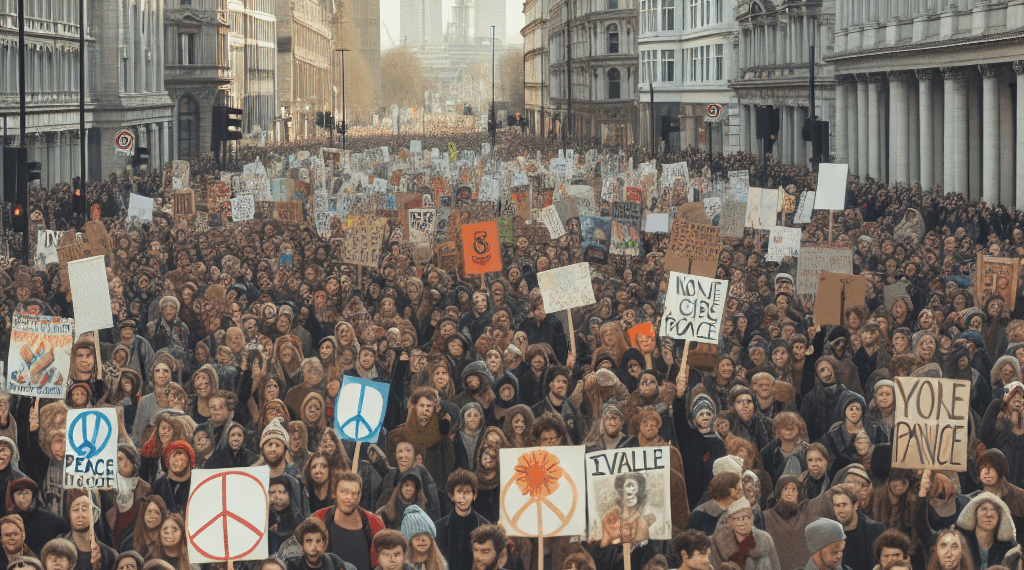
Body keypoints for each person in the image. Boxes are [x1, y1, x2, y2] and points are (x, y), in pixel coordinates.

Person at [312, 471, 386, 570]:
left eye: (354, 493)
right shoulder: (319, 518)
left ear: (359, 496)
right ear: (334, 494)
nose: (349, 498)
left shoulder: (375, 523)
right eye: (344, 492)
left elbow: (382, 562)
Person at [435, 470, 490, 570]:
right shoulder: (438, 528)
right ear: (452, 496)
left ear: (474, 495)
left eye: (467, 492)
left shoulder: (485, 527)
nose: (463, 496)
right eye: (459, 491)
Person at [708, 498, 781, 570]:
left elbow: (775, 566)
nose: (742, 522)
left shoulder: (764, 539)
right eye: (737, 519)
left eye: (746, 517)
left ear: (752, 519)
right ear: (730, 521)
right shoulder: (717, 543)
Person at [4, 479, 69, 554]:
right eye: (19, 493)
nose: (23, 497)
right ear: (13, 497)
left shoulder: (51, 520)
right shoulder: (7, 521)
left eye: (26, 493)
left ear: (33, 496)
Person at [61, 493, 117, 570]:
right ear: (69, 515)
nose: (80, 515)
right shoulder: (58, 550)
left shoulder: (109, 555)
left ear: (95, 515)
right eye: (75, 509)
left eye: (84, 509)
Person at [832, 489, 884, 570]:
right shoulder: (830, 532)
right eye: (837, 506)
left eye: (844, 505)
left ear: (855, 505)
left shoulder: (875, 529)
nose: (841, 510)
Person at [287, 517, 357, 570]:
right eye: (309, 541)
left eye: (318, 541)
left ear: (324, 544)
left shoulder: (334, 562)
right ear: (301, 545)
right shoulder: (293, 566)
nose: (314, 547)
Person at [150, 441, 194, 513]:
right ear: (168, 461)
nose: (178, 462)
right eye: (175, 459)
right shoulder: (158, 485)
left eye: (182, 459)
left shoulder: (195, 483)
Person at [399, 506, 446, 570]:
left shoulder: (441, 565)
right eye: (417, 538)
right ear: (409, 541)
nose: (422, 541)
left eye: (426, 537)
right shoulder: (402, 566)